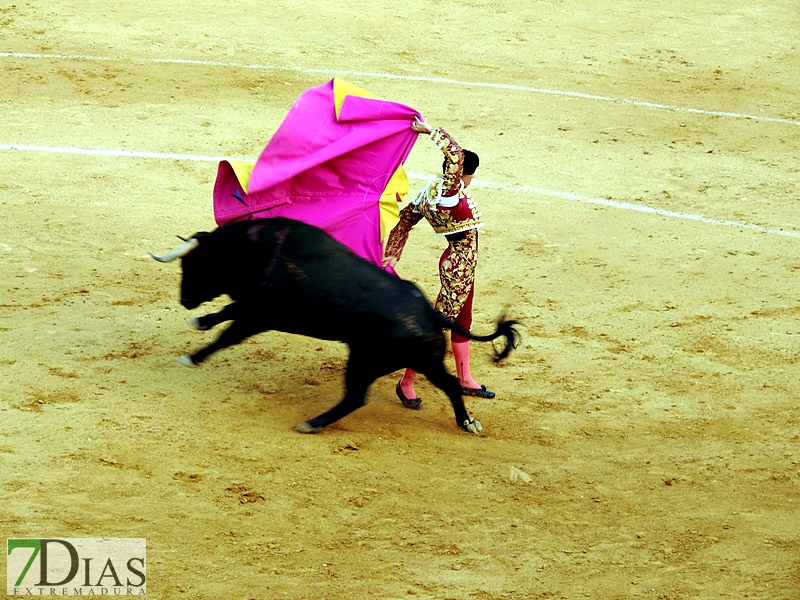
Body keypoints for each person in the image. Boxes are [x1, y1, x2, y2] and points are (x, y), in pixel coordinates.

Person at [383, 117, 494, 409]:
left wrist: (395, 250)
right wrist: (430, 131)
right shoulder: (448, 193)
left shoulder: (431, 191)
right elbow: (455, 154)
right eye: (469, 175)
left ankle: (465, 379)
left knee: (463, 320)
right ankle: (406, 382)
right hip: (458, 263)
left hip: (460, 262)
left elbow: (405, 219)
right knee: (434, 327)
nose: (470, 180)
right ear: (461, 175)